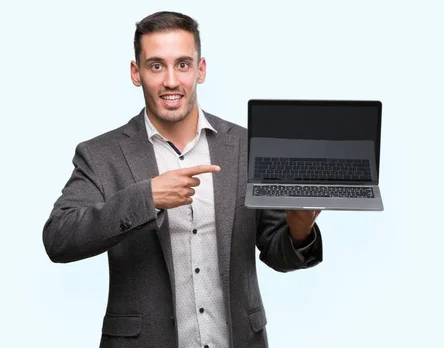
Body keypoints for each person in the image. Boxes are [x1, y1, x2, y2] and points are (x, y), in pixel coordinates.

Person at [42, 10, 323, 348]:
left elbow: (278, 253)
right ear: (136, 72)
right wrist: (148, 198)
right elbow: (59, 238)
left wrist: (300, 227)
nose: (171, 81)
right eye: (156, 65)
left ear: (200, 70)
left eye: (183, 64)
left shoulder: (248, 147)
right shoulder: (101, 155)